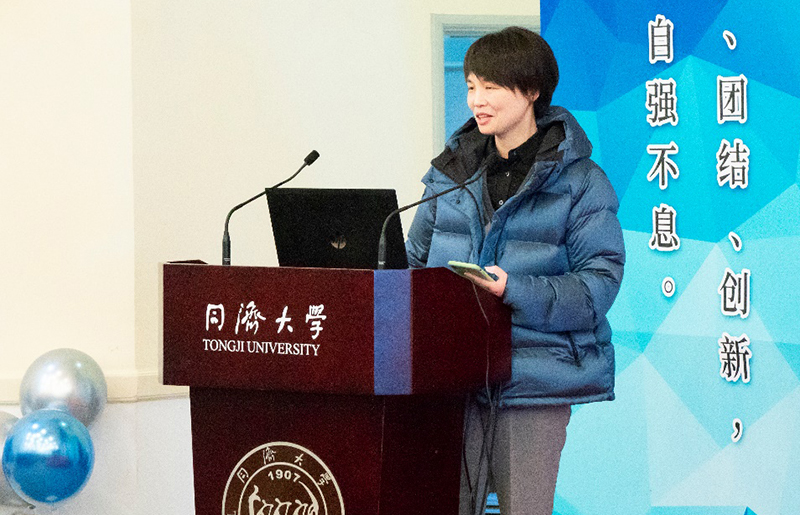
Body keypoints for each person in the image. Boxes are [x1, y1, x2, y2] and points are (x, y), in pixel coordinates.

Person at [405, 27, 625, 515]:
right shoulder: (451, 173)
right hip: (452, 382)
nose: (476, 101)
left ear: (531, 91)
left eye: (491, 87)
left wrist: (514, 289)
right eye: (471, 86)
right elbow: (412, 264)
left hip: (533, 384)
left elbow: (599, 284)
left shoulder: (580, 181)